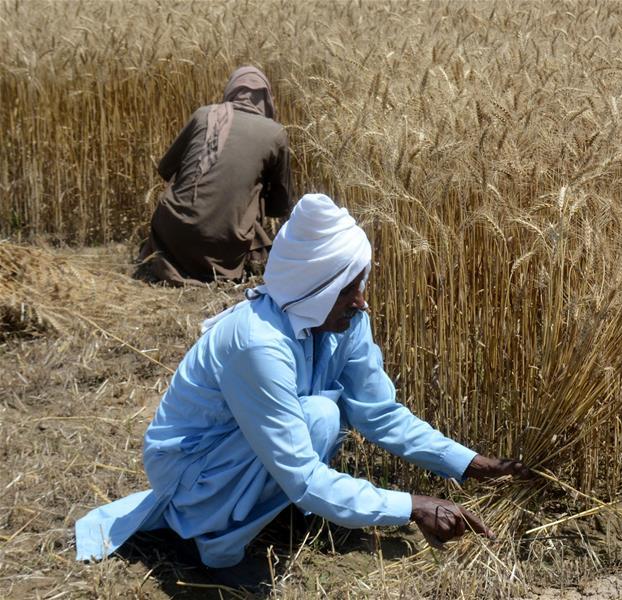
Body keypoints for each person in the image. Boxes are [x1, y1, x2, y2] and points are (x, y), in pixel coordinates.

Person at [78, 193, 529, 590]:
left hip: (243, 457)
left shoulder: (343, 320)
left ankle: (261, 514)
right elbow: (303, 475)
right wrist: (411, 506)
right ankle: (213, 551)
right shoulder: (258, 342)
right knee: (318, 417)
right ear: (315, 288)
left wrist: (467, 463)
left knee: (322, 416)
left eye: (361, 282)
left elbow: (378, 414)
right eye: (349, 287)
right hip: (191, 470)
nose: (362, 299)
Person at [137, 66, 294, 285]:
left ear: (230, 90)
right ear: (267, 98)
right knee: (251, 193)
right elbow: (281, 206)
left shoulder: (204, 114)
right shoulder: (275, 132)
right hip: (224, 244)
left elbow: (165, 169)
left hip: (172, 236)